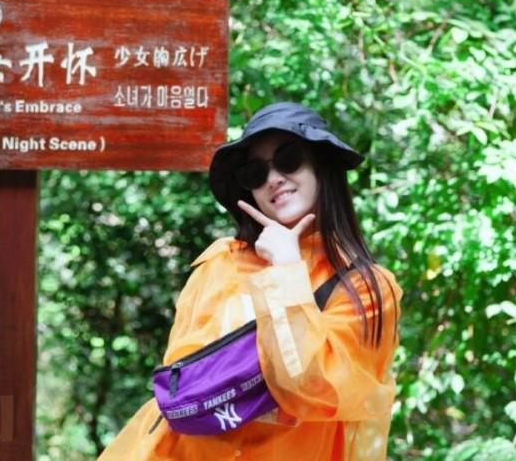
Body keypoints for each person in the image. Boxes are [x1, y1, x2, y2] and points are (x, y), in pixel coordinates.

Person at [98, 102, 402, 460]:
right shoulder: (221, 264)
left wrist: (286, 267)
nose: (274, 179)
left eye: (289, 159)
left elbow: (313, 388)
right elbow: (186, 383)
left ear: (322, 164)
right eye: (256, 173)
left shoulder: (367, 288)